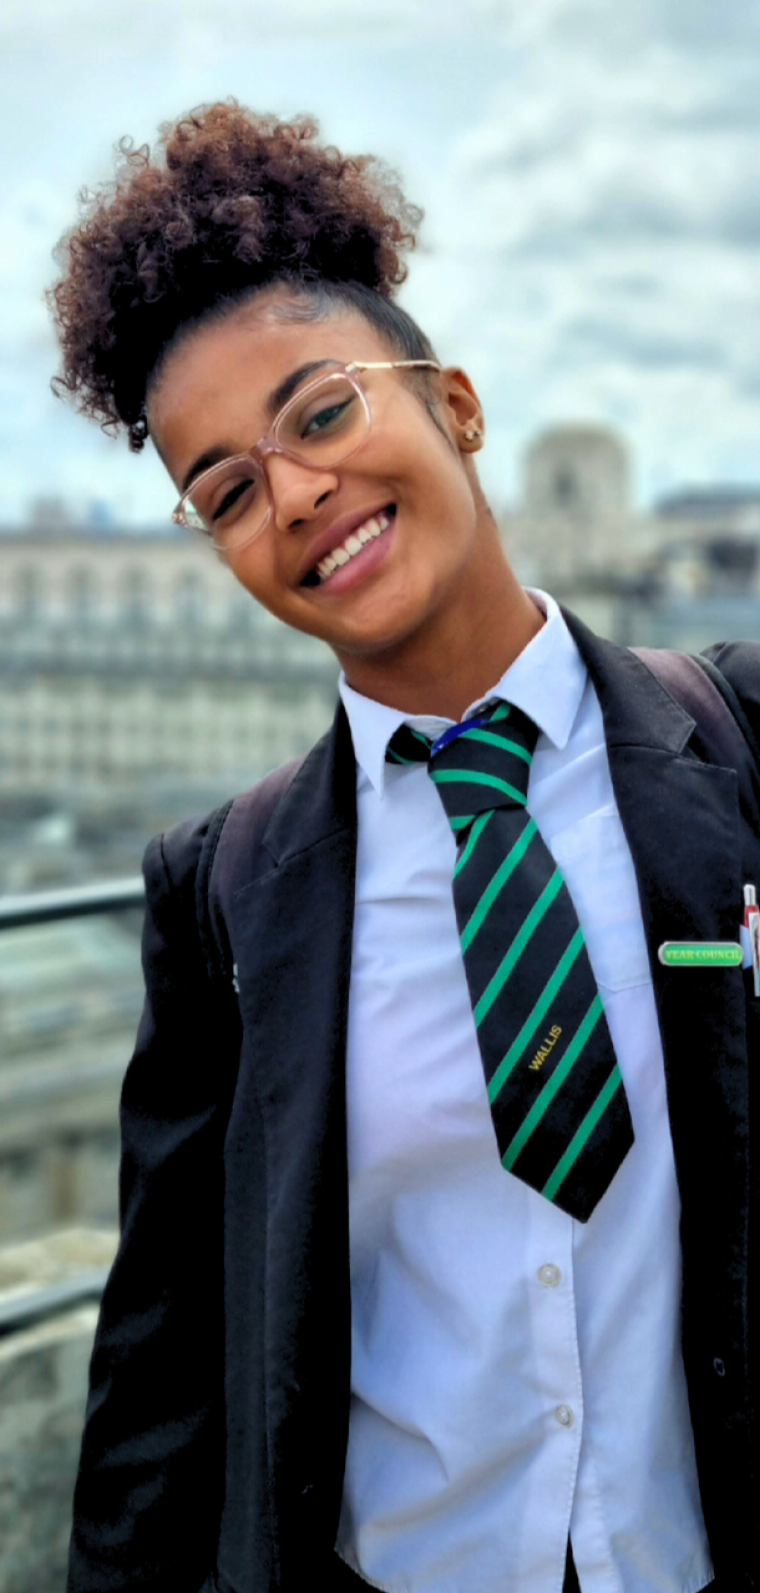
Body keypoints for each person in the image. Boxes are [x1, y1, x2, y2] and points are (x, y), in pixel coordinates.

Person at [49, 102, 760, 1593]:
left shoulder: (744, 739)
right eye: (228, 492)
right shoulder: (224, 891)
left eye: (321, 414)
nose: (296, 492)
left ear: (456, 405)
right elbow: (165, 1377)